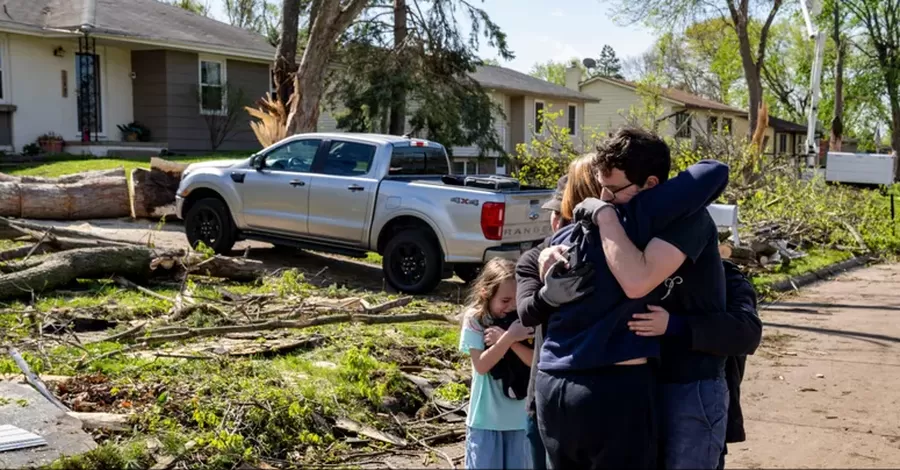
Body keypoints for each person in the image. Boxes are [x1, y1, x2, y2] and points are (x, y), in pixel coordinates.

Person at [535, 128, 730, 469]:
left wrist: (605, 217)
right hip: (616, 382)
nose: (602, 197)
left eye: (613, 190)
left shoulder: (676, 219)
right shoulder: (601, 225)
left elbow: (636, 281)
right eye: (599, 188)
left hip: (688, 381)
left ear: (651, 185)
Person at [627, 259, 762, 469]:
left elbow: (747, 332)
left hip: (696, 400)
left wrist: (675, 325)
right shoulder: (638, 273)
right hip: (640, 400)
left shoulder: (726, 276)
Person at [515, 171, 593, 470]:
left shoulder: (612, 254)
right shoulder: (533, 257)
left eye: (567, 215)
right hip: (544, 397)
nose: (559, 223)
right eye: (555, 214)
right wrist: (549, 296)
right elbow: (526, 312)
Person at [459, 257, 535, 469]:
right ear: (485, 292)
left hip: (520, 422)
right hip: (485, 421)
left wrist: (510, 340)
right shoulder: (475, 319)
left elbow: (533, 362)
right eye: (504, 300)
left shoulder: (525, 320)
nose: (511, 307)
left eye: (516, 300)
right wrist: (510, 337)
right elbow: (481, 366)